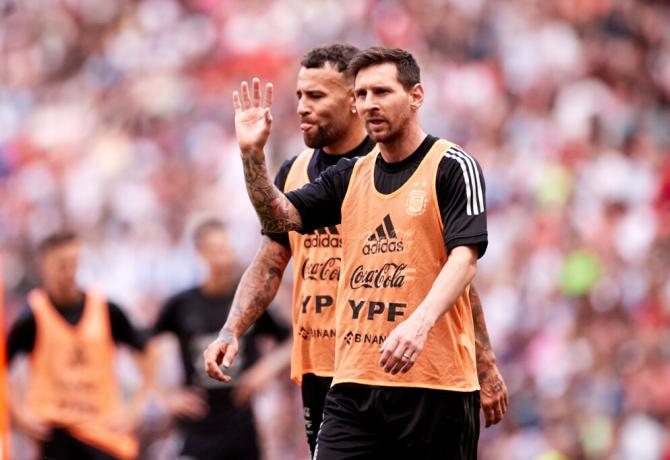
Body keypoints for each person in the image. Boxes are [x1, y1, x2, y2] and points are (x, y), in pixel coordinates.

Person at [209, 45, 506, 459]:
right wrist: (251, 155)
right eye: (363, 94)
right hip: (346, 375)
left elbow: (458, 262)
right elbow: (278, 229)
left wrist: (469, 351)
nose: (369, 104)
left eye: (381, 92)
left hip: (432, 380)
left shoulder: (449, 165)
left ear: (415, 96)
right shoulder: (341, 177)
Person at [148, 218, 289, 460]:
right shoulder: (182, 304)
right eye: (216, 250)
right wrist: (166, 397)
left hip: (241, 424)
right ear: (200, 253)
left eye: (226, 249)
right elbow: (144, 345)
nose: (224, 258)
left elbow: (292, 339)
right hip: (197, 424)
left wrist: (264, 371)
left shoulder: (249, 302)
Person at [5, 231, 144, 460]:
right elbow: (5, 366)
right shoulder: (32, 315)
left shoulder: (105, 309)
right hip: (55, 431)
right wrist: (20, 414)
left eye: (73, 263)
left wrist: (136, 408)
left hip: (102, 432)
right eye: (61, 265)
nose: (69, 272)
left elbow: (145, 349)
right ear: (44, 266)